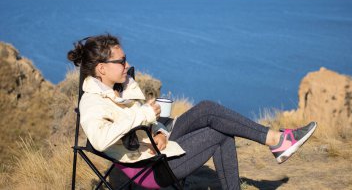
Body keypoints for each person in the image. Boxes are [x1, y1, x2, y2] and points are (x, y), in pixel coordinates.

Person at [67, 34, 317, 190]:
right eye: (121, 62)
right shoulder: (92, 102)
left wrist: (160, 131)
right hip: (149, 168)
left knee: (207, 108)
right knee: (219, 135)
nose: (127, 65)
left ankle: (275, 140)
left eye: (126, 58)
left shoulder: (125, 86)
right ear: (101, 69)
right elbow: (99, 140)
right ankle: (277, 142)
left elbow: (147, 125)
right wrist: (143, 115)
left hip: (156, 147)